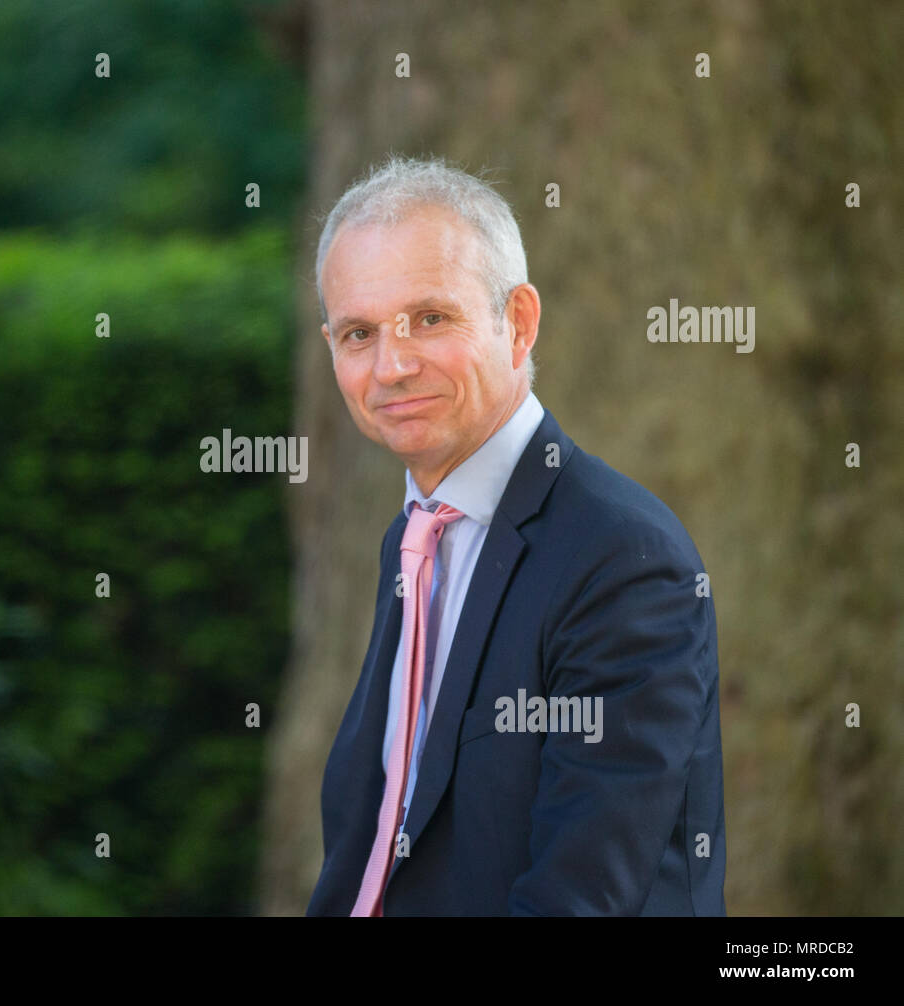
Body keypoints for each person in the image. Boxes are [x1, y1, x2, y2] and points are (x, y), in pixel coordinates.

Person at [306, 155, 726, 916]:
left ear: (519, 323)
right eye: (358, 333)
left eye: (429, 318)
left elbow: (580, 895)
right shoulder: (412, 541)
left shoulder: (625, 560)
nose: (391, 366)